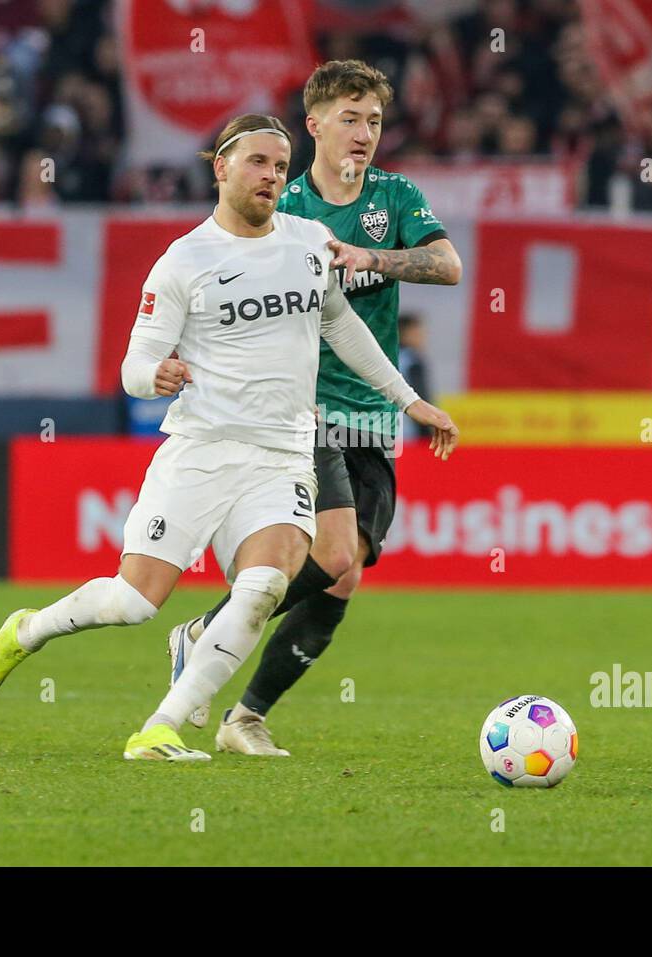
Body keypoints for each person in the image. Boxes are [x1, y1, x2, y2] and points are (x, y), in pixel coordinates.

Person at [0, 113, 458, 762]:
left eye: (281, 165)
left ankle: (160, 727)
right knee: (136, 600)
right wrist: (155, 374)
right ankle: (25, 631)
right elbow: (133, 366)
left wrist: (410, 399)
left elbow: (343, 329)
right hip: (202, 451)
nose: (272, 176)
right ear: (221, 168)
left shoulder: (308, 243)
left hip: (282, 454)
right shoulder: (184, 262)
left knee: (265, 587)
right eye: (257, 162)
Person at [164, 60, 462, 756]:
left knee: (346, 568)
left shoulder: (396, 196)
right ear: (316, 125)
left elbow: (448, 265)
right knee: (328, 552)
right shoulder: (285, 207)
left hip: (373, 416)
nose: (365, 134)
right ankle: (209, 637)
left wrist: (372, 257)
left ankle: (245, 714)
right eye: (351, 119)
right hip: (304, 408)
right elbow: (221, 283)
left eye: (376, 122)